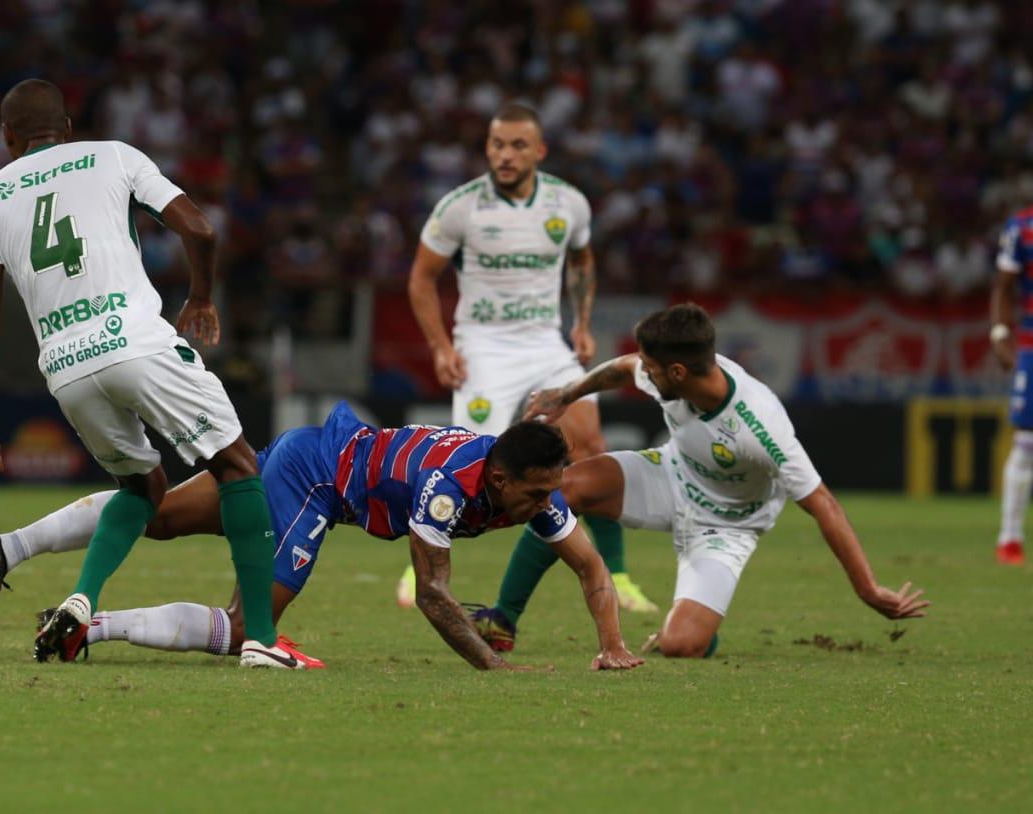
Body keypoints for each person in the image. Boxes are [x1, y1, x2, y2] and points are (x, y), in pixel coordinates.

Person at [0, 78, 311, 668]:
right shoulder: (114, 156)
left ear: (7, 137)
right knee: (237, 466)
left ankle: (82, 597)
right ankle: (262, 641)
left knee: (143, 488)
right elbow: (200, 228)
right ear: (68, 129)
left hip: (66, 367)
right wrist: (200, 297)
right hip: (137, 343)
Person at [0, 401, 643, 671]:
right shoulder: (450, 487)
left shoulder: (530, 486)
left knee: (158, 514)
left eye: (550, 493)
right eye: (536, 494)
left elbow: (589, 566)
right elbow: (433, 594)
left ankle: (7, 548)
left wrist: (612, 646)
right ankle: (90, 628)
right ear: (498, 477)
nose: (545, 506)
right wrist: (495, 666)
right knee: (246, 632)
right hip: (315, 479)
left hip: (312, 451)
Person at [498, 303, 929, 657]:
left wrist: (868, 589)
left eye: (651, 366)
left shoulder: (759, 426)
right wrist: (566, 394)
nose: (645, 371)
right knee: (566, 490)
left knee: (681, 646)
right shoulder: (666, 373)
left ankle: (698, 630)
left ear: (678, 372)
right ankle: (502, 618)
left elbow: (823, 504)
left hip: (728, 524)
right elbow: (623, 368)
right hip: (671, 475)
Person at [406, 102, 657, 638]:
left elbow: (583, 261)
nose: (506, 155)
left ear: (539, 150)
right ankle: (420, 558)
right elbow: (421, 277)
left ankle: (617, 574)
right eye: (497, 145)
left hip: (545, 344)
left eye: (518, 145)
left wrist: (582, 323)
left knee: (592, 447)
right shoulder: (460, 207)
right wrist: (440, 347)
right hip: (484, 347)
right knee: (463, 464)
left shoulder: (569, 204)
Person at [991, 204, 1033, 565]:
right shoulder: (1023, 226)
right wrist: (1000, 332)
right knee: (1027, 442)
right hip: (1032, 345)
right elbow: (1004, 286)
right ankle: (1010, 539)